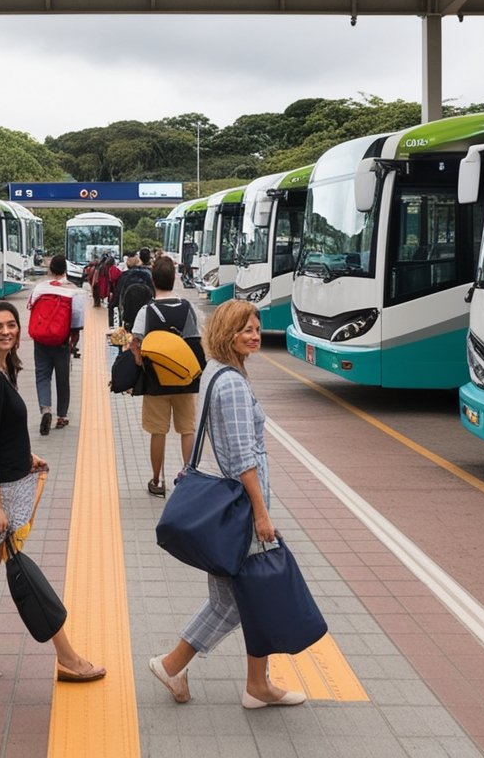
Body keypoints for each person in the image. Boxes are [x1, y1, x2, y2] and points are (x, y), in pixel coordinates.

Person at [148, 299, 305, 709]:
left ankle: (249, 682)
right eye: (245, 330)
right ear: (225, 333)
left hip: (239, 506)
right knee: (242, 599)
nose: (254, 335)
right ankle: (176, 665)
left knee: (241, 597)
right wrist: (262, 513)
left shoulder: (221, 371)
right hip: (242, 509)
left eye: (256, 328)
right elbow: (241, 459)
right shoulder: (232, 383)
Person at [0, 301, 106, 684]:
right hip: (2, 494)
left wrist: (25, 455)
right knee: (24, 575)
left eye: (12, 325)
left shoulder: (0, 369)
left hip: (10, 482)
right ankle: (68, 657)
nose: (6, 331)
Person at [129, 255, 201, 497]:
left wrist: (140, 363)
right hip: (184, 380)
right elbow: (194, 342)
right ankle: (189, 477)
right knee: (187, 429)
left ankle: (157, 481)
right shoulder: (187, 308)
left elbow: (135, 343)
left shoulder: (146, 311)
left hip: (155, 380)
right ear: (174, 278)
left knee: (158, 431)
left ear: (153, 280)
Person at [28, 254, 85, 435]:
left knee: (42, 376)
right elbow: (77, 318)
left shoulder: (40, 287)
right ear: (66, 270)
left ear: (51, 270)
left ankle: (46, 409)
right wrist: (72, 336)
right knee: (62, 378)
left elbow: (30, 306)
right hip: (61, 340)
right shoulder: (72, 290)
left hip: (41, 340)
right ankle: (62, 416)